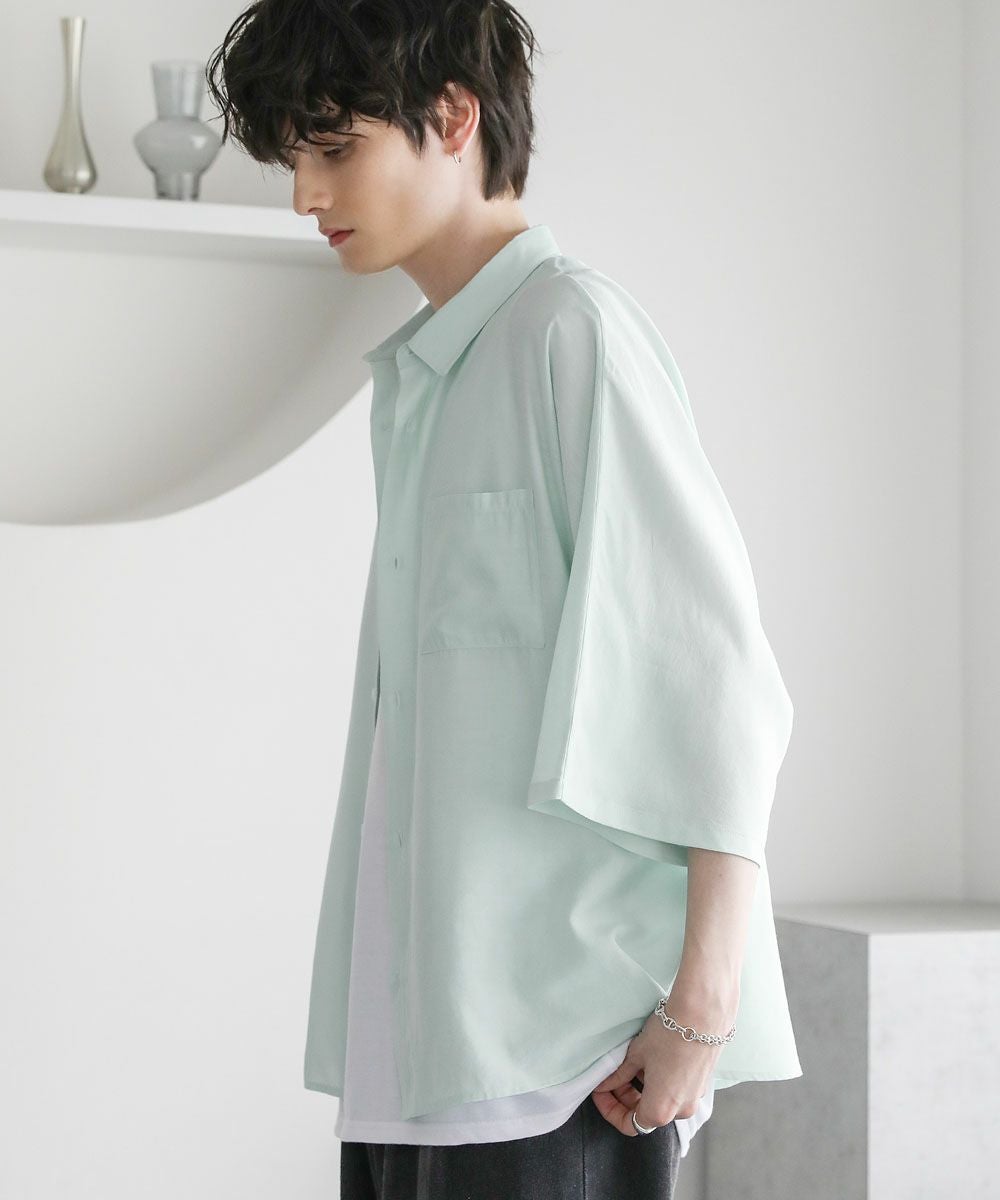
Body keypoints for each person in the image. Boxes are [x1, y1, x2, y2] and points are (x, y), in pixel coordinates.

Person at [206, 2, 801, 1197]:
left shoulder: (569, 332)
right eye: (294, 159)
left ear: (451, 116)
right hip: (416, 1054)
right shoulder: (428, 374)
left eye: (334, 150)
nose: (305, 195)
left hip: (560, 1067)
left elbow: (716, 684)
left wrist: (700, 1010)